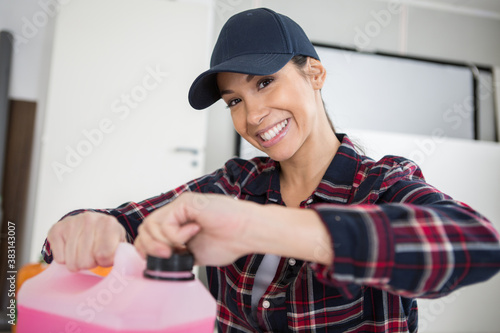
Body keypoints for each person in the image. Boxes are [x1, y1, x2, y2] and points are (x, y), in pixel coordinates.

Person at [43, 8, 500, 332]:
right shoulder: (234, 184)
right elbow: (113, 226)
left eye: (265, 83)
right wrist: (86, 228)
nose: (253, 115)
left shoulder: (381, 184)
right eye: (235, 101)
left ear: (315, 74)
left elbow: (476, 246)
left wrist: (259, 226)